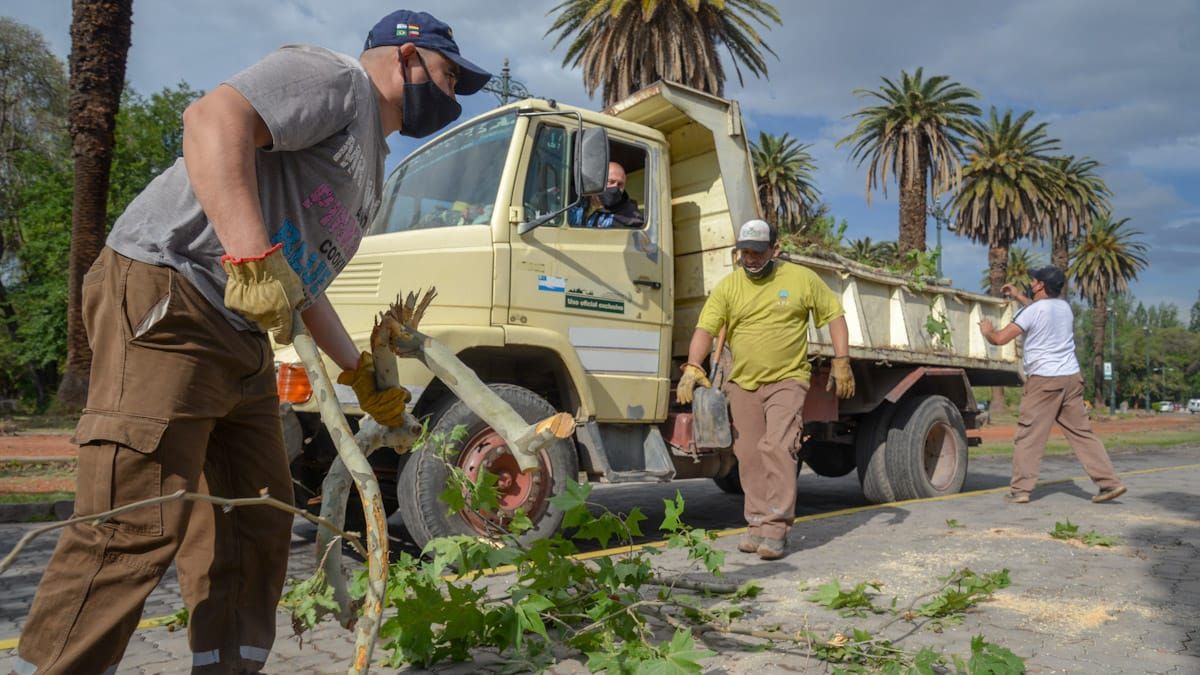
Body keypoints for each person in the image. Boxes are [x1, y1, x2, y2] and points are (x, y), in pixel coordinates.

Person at [15, 10, 490, 675]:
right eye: (447, 76)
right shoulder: (334, 79)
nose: (450, 95)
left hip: (241, 335)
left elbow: (304, 280)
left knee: (255, 524)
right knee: (134, 523)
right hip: (173, 292)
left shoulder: (372, 170)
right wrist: (247, 255)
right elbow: (212, 120)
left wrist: (359, 376)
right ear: (407, 58)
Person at [677, 219, 855, 560]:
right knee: (748, 454)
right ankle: (756, 523)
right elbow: (705, 327)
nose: (752, 259)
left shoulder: (801, 279)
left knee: (777, 445)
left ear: (775, 249)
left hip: (787, 379)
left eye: (758, 252)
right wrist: (693, 366)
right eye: (745, 252)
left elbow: (834, 316)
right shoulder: (729, 287)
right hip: (742, 383)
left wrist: (841, 360)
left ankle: (776, 529)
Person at [978, 265, 1127, 505]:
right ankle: (1110, 483)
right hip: (1071, 378)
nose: (1031, 282)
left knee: (1029, 435)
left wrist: (987, 330)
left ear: (1040, 286)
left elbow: (1000, 338)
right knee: (1082, 433)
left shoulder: (1032, 312)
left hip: (1044, 381)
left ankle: (1020, 490)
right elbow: (1039, 310)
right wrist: (1018, 296)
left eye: (1034, 280)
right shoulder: (1064, 307)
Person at [567, 161, 645, 228]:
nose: (615, 188)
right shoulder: (576, 201)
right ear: (597, 182)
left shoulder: (629, 217)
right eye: (611, 182)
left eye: (620, 184)